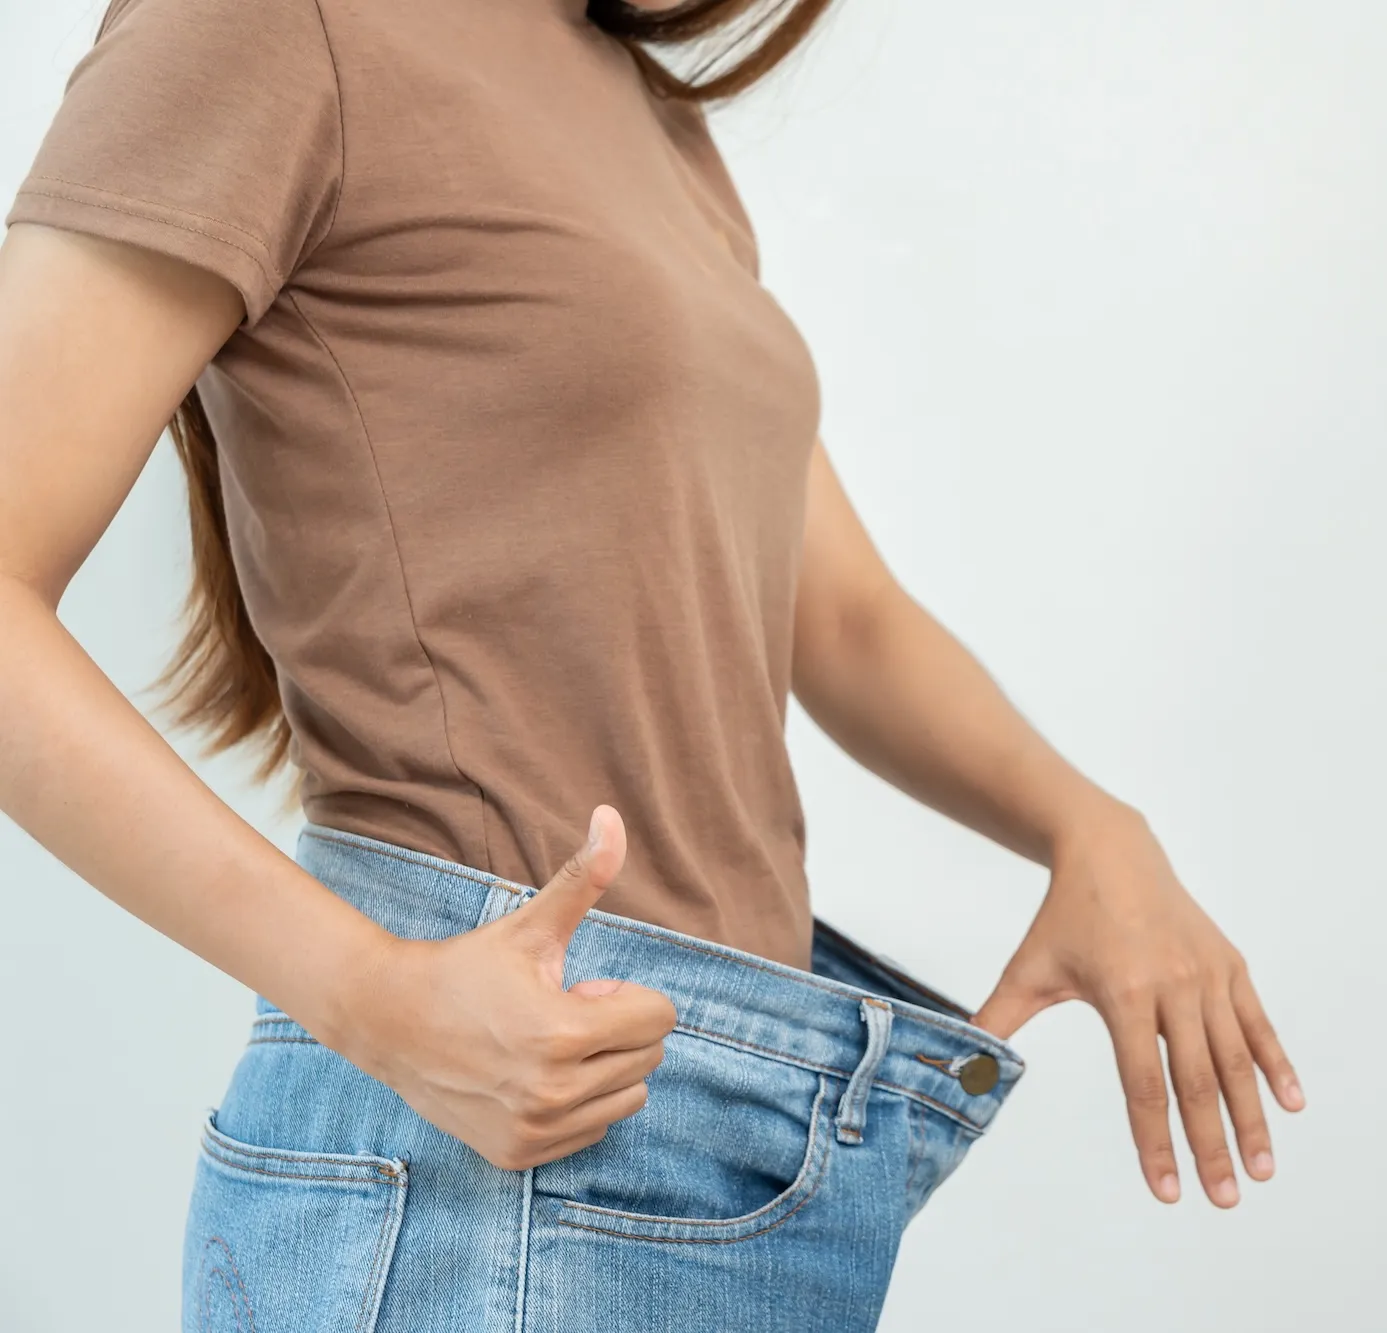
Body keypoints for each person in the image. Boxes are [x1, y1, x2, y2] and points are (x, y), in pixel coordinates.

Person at [0, 0, 1305, 1327]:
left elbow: (840, 614)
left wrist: (1091, 828)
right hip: (489, 1162)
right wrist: (373, 1000)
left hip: (741, 1126)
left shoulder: (648, 114)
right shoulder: (269, 23)